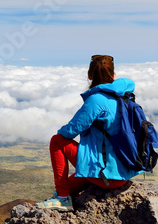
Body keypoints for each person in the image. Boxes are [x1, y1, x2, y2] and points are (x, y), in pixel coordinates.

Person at [35, 54, 143, 212]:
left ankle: (62, 199)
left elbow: (70, 131)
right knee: (68, 185)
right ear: (113, 75)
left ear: (89, 75)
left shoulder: (97, 100)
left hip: (107, 176)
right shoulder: (125, 97)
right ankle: (63, 194)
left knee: (56, 140)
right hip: (125, 171)